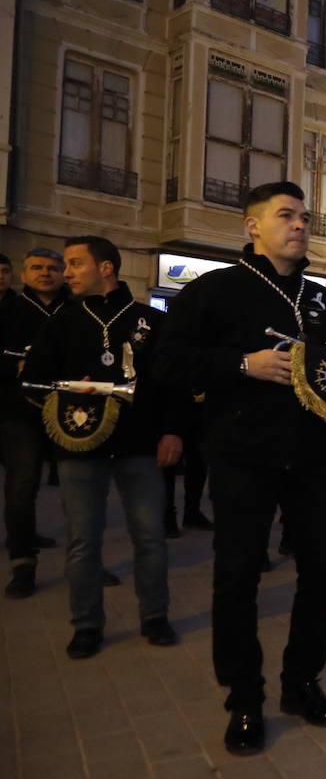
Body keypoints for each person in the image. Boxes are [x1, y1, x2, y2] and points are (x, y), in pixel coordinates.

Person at [157, 181, 326, 755]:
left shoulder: (323, 301)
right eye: (286, 216)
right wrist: (240, 364)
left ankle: (301, 682)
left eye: (304, 216)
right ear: (252, 226)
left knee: (323, 569)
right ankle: (243, 696)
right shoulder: (215, 291)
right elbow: (168, 361)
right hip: (243, 453)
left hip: (317, 457)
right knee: (239, 575)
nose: (300, 225)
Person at [22, 236, 181, 657]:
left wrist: (172, 431)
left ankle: (155, 616)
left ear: (106, 268)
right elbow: (35, 382)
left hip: (140, 445)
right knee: (83, 540)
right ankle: (87, 624)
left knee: (150, 536)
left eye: (75, 264)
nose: (66, 273)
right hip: (78, 449)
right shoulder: (59, 323)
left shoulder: (151, 320)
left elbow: (172, 384)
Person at [1, 248, 68, 597]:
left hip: (71, 413)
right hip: (20, 413)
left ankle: (86, 561)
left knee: (80, 489)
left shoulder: (76, 308)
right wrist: (17, 367)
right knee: (22, 485)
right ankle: (22, 563)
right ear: (24, 274)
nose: (46, 273)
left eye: (54, 268)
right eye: (38, 268)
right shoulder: (8, 309)